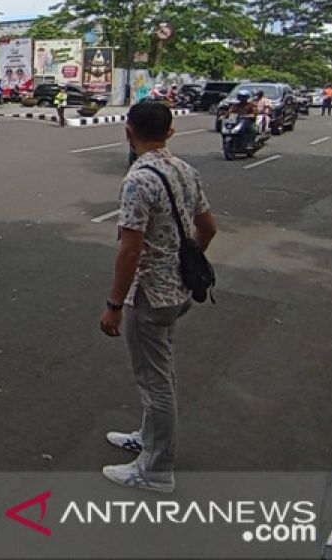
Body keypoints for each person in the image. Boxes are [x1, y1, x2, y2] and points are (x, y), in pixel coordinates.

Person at [100, 101, 218, 493]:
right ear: (170, 132)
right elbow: (208, 228)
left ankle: (155, 468)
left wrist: (114, 305)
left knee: (154, 381)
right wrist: (185, 261)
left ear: (128, 130)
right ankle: (149, 439)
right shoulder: (185, 170)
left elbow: (130, 249)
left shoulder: (139, 179)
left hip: (150, 294)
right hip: (179, 290)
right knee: (161, 371)